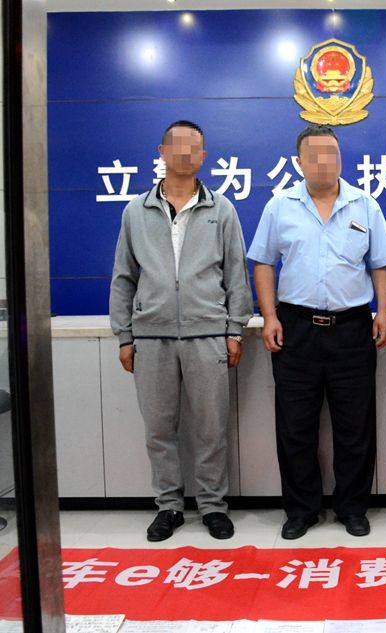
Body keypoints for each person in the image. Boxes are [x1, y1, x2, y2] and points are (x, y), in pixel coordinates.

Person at [247, 124, 386, 539]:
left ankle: (353, 508)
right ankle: (301, 510)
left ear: (340, 157)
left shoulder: (365, 205)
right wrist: (269, 316)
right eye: (313, 155)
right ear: (299, 162)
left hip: (352, 328)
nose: (323, 162)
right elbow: (263, 263)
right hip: (295, 328)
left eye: (331, 153)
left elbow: (381, 263)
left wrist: (384, 312)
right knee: (295, 426)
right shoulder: (280, 206)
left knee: (355, 426)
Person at [109, 120, 253, 542]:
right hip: (150, 336)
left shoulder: (221, 210)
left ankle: (213, 506)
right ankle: (168, 506)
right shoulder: (136, 211)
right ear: (162, 151)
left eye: (195, 147)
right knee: (159, 429)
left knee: (211, 427)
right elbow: (123, 277)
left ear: (204, 156)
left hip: (207, 334)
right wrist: (125, 335)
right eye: (178, 145)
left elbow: (236, 275)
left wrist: (234, 330)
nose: (186, 153)